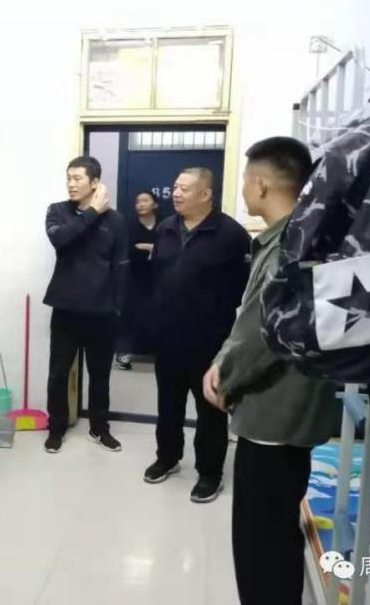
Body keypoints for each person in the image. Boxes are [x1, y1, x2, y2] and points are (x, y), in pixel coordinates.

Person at [202, 138, 335, 604]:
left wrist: (224, 375)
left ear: (260, 183)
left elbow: (264, 333)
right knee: (274, 534)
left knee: (261, 544)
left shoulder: (287, 248)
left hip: (274, 417)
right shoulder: (302, 236)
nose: (243, 189)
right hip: (288, 414)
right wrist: (224, 360)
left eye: (245, 180)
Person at [143, 168, 251, 503]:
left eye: (185, 188)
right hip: (168, 336)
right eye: (175, 187)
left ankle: (210, 472)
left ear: (206, 194)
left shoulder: (231, 235)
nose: (176, 193)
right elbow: (157, 277)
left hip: (210, 340)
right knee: (168, 403)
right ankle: (167, 457)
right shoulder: (165, 229)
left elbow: (242, 288)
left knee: (211, 409)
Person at [43, 156, 128, 454]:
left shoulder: (116, 221)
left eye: (77, 178)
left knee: (100, 374)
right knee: (58, 372)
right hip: (65, 308)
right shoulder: (57, 211)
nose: (71, 183)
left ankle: (99, 428)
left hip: (102, 311)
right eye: (68, 178)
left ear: (95, 182)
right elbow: (62, 240)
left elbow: (121, 265)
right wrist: (92, 212)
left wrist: (118, 306)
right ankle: (56, 428)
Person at [114, 191, 159, 371]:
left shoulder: (165, 225)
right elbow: (127, 249)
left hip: (158, 276)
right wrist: (153, 249)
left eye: (145, 200)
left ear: (155, 204)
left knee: (159, 314)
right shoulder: (129, 224)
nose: (140, 204)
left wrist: (149, 247)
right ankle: (123, 353)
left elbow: (169, 249)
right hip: (133, 275)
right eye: (137, 201)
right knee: (129, 314)